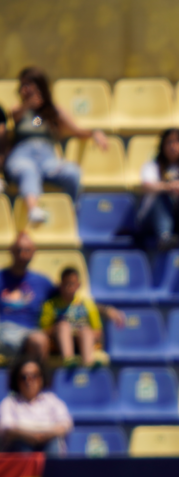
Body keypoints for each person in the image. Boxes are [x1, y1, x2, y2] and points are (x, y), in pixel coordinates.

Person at [4, 66, 107, 224]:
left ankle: (72, 212)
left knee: (72, 172)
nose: (25, 89)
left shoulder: (51, 113)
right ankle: (34, 210)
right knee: (28, 171)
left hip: (47, 158)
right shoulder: (19, 110)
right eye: (23, 85)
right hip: (22, 156)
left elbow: (76, 130)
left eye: (29, 85)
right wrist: (29, 105)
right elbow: (18, 118)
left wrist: (94, 133)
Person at [0, 355, 73, 456]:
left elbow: (65, 423)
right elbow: (6, 428)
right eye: (24, 377)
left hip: (48, 442)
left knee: (54, 443)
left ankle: (53, 471)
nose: (29, 381)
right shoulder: (9, 402)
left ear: (41, 379)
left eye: (34, 376)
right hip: (21, 447)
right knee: (20, 444)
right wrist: (29, 436)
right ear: (17, 380)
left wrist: (44, 435)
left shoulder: (52, 400)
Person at [0, 233, 54, 359]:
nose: (22, 255)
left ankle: (40, 377)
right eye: (18, 250)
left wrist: (105, 310)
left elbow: (69, 297)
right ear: (11, 251)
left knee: (40, 340)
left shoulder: (42, 282)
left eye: (27, 250)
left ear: (33, 253)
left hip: (28, 332)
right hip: (2, 328)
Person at [39, 268, 104, 369]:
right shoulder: (51, 305)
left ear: (78, 285)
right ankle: (68, 359)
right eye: (66, 284)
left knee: (85, 329)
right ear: (60, 285)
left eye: (72, 284)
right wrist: (58, 328)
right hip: (58, 344)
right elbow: (44, 331)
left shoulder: (87, 304)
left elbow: (97, 330)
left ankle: (88, 362)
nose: (69, 288)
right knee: (63, 326)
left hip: (82, 341)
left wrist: (82, 331)